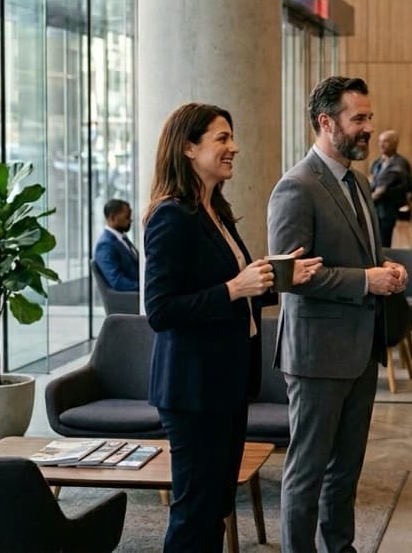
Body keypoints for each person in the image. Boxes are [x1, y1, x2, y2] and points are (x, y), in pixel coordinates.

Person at [144, 103, 320, 552]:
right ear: (188, 147)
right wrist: (234, 288)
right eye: (222, 138)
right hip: (192, 390)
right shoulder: (171, 216)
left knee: (216, 504)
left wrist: (277, 281)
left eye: (231, 137)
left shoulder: (214, 212)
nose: (233, 147)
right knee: (195, 512)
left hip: (226, 385)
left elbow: (236, 293)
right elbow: (160, 311)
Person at [267, 76, 408, 553]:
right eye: (359, 119)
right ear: (327, 123)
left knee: (346, 469)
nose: (369, 127)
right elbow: (289, 278)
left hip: (361, 349)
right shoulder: (296, 187)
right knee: (307, 472)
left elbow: (359, 254)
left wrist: (383, 267)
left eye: (369, 117)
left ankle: (340, 547)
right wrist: (366, 280)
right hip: (317, 356)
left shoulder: (357, 181)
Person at [370, 130, 412, 248]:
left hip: (391, 211)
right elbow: (372, 183)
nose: (381, 144)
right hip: (375, 210)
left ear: (394, 144)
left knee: (385, 244)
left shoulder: (401, 163)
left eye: (385, 141)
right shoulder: (376, 163)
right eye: (380, 141)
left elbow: (410, 188)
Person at [93, 198, 139, 292]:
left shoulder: (122, 239)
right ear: (112, 218)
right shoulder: (105, 245)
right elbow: (117, 282)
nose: (130, 220)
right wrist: (144, 286)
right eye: (127, 217)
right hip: (132, 297)